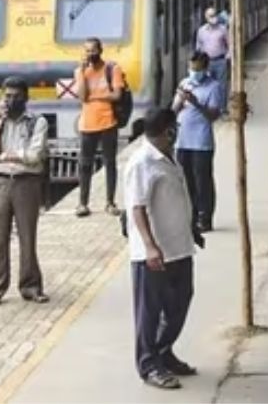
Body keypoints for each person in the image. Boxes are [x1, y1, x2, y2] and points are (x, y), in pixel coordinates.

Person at [125, 107, 201, 390]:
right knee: (150, 311)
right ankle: (148, 364)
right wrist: (149, 246)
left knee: (180, 301)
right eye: (175, 128)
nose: (177, 132)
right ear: (168, 131)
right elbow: (137, 208)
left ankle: (163, 351)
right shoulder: (141, 162)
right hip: (154, 253)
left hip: (180, 245)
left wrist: (191, 229)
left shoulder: (169, 156)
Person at [0, 77, 49, 307]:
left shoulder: (36, 122)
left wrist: (11, 155)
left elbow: (35, 155)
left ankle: (30, 286)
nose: (11, 101)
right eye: (7, 96)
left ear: (26, 98)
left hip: (26, 183)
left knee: (27, 236)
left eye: (16, 96)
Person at [75, 37, 126, 217]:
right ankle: (82, 203)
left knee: (110, 163)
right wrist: (81, 72)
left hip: (108, 122)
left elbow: (117, 95)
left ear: (100, 50)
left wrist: (96, 97)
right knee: (85, 164)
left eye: (93, 50)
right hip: (87, 124)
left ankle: (110, 202)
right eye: (87, 51)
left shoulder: (113, 69)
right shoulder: (80, 71)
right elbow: (82, 97)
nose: (90, 54)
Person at [172, 51, 222, 232]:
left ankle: (205, 217)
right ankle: (191, 215)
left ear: (206, 69)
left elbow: (213, 115)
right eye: (192, 69)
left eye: (198, 69)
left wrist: (195, 102)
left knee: (203, 181)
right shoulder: (184, 84)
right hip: (182, 141)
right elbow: (174, 111)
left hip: (201, 142)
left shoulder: (213, 87)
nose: (194, 72)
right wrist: (181, 101)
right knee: (187, 180)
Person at [195, 8, 231, 111]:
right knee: (207, 85)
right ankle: (209, 108)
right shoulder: (201, 31)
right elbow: (198, 46)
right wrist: (199, 60)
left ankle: (222, 109)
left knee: (221, 86)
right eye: (211, 16)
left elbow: (230, 44)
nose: (213, 18)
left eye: (214, 15)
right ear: (206, 17)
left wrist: (228, 56)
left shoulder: (223, 29)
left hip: (220, 61)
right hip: (207, 62)